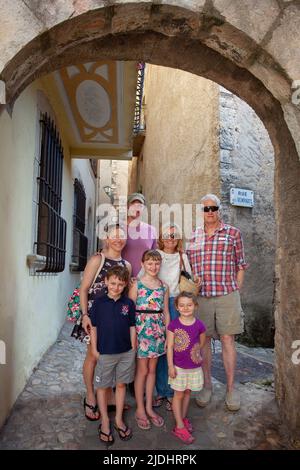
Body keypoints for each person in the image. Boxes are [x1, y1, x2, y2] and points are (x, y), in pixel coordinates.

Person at [187, 194, 248, 411]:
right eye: (206, 209)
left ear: (219, 210)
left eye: (213, 208)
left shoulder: (233, 233)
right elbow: (188, 268)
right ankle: (207, 387)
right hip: (202, 298)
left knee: (227, 340)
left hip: (227, 296)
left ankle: (231, 389)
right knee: (203, 343)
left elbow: (241, 264)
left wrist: (236, 288)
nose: (210, 212)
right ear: (201, 212)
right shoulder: (193, 237)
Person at [80, 224, 131, 421]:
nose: (118, 239)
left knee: (111, 356)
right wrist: (85, 315)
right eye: (114, 236)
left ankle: (109, 397)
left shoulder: (126, 265)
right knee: (93, 357)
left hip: (115, 319)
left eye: (122, 236)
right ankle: (91, 396)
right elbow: (84, 289)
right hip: (95, 317)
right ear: (107, 238)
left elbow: (125, 292)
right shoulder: (97, 259)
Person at [152, 223, 197, 412]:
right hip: (158, 303)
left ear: (178, 238)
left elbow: (190, 279)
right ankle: (161, 390)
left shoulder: (182, 256)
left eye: (174, 235)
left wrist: (196, 284)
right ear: (161, 238)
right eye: (167, 235)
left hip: (176, 304)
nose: (170, 238)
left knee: (177, 347)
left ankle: (173, 391)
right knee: (161, 348)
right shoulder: (156, 255)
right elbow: (143, 274)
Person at [90, 265, 136, 445]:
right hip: (105, 352)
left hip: (125, 352)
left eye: (120, 284)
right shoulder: (99, 304)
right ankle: (105, 421)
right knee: (102, 387)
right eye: (113, 283)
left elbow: (132, 326)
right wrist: (94, 349)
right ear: (106, 282)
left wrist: (133, 347)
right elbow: (93, 328)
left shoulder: (128, 304)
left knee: (121, 385)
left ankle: (118, 419)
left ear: (125, 285)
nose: (116, 287)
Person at [129, 249, 170, 430]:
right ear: (143, 264)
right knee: (142, 371)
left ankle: (148, 407)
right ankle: (140, 408)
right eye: (150, 263)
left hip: (158, 331)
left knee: (152, 370)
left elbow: (166, 312)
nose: (153, 266)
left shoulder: (164, 286)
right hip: (141, 331)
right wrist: (133, 336)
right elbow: (129, 312)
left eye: (156, 263)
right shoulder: (136, 284)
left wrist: (168, 335)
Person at [167, 292, 206, 444]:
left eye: (189, 305)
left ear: (195, 306)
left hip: (194, 367)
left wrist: (195, 353)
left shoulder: (199, 325)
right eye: (182, 305)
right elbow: (170, 346)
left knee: (188, 392)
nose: (185, 308)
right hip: (179, 367)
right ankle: (179, 426)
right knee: (178, 395)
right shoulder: (174, 325)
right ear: (177, 307)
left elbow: (201, 343)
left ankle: (182, 418)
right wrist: (170, 366)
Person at [122, 193, 157, 277]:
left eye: (140, 206)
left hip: (144, 281)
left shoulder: (151, 230)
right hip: (121, 281)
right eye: (133, 204)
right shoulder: (118, 229)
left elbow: (155, 256)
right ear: (127, 206)